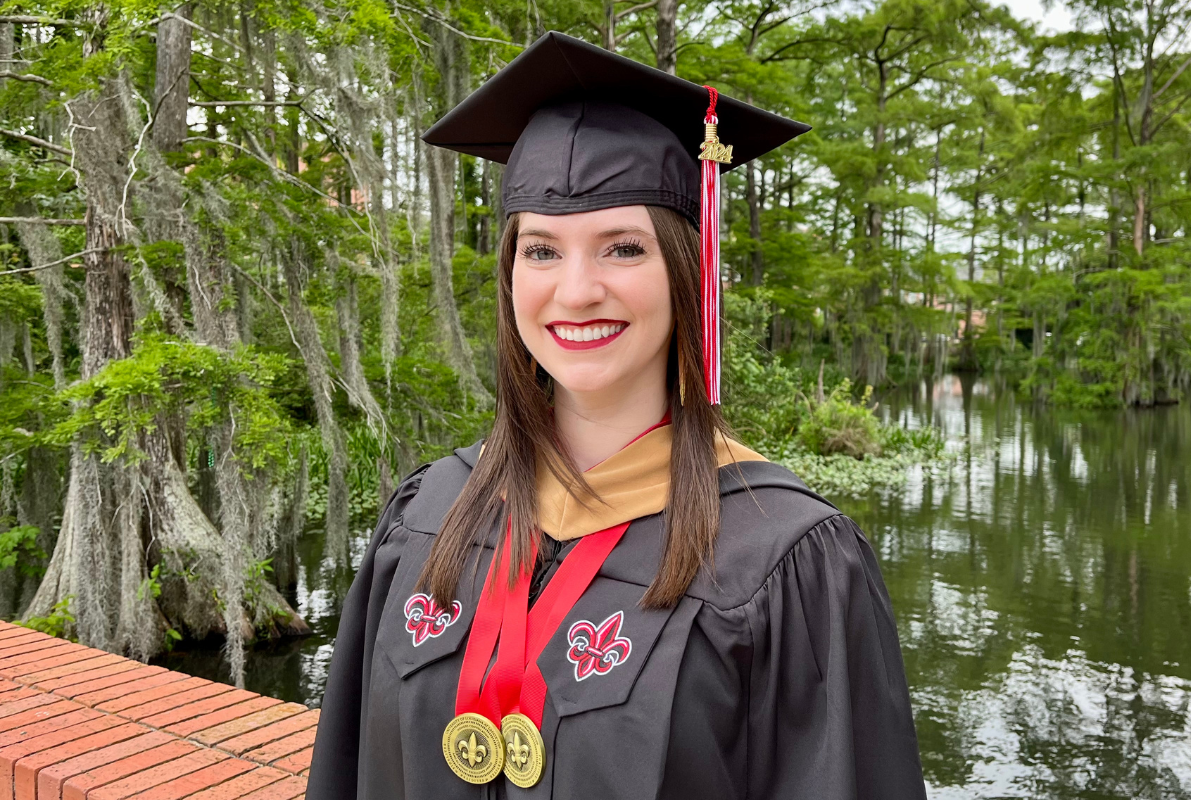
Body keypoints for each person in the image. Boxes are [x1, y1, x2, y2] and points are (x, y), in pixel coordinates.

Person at [306, 31, 926, 800]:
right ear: (509, 275)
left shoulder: (785, 559)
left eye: (622, 248)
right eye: (541, 251)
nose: (575, 291)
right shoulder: (430, 511)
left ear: (685, 270)